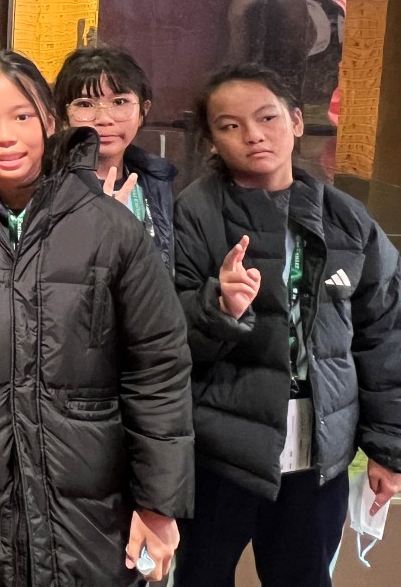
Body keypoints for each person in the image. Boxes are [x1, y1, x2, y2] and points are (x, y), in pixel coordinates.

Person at [0, 50, 193, 586]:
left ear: (49, 119)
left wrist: (159, 503)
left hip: (88, 514)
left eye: (21, 116)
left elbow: (157, 369)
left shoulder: (112, 228)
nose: (4, 136)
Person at [172, 62, 401, 587]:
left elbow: (384, 335)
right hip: (219, 455)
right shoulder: (194, 213)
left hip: (319, 455)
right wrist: (218, 307)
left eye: (267, 117)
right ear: (212, 139)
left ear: (296, 121)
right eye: (230, 125)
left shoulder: (347, 219)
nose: (253, 135)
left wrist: (388, 448)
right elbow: (163, 333)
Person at [55, 44, 178, 269]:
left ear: (143, 111)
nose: (104, 119)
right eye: (85, 104)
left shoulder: (157, 181)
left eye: (119, 102)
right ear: (64, 116)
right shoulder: (47, 185)